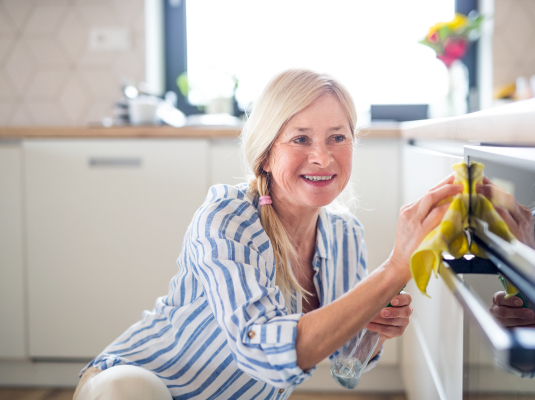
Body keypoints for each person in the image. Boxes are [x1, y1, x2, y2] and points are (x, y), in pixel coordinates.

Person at [73, 69, 462, 400]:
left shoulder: (343, 235)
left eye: (338, 138)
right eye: (300, 138)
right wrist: (395, 268)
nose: (323, 157)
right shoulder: (226, 220)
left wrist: (372, 327)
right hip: (135, 385)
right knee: (129, 387)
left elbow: (346, 366)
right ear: (265, 152)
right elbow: (261, 350)